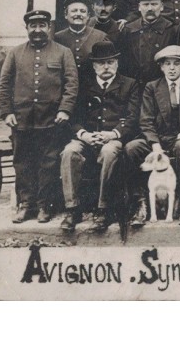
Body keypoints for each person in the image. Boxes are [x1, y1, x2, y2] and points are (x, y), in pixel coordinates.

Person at [0, 10, 78, 223]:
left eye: (42, 25)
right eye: (33, 26)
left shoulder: (63, 52)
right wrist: (6, 112)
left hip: (51, 120)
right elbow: (4, 85)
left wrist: (65, 110)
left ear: (49, 28)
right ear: (27, 29)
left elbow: (71, 85)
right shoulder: (15, 53)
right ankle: (26, 205)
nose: (37, 29)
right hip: (21, 120)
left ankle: (45, 206)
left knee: (48, 164)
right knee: (22, 163)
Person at [59, 41, 140, 232]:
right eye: (101, 63)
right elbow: (74, 116)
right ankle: (72, 209)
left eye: (110, 62)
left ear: (117, 64)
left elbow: (133, 116)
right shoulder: (84, 85)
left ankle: (103, 208)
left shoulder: (130, 84)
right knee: (69, 152)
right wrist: (84, 134)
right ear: (94, 65)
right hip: (87, 138)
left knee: (109, 151)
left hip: (113, 137)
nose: (106, 67)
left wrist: (113, 134)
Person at [124, 45, 180, 226]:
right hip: (156, 137)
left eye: (176, 63)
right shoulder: (152, 87)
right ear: (161, 67)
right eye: (167, 64)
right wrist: (154, 144)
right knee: (132, 148)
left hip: (178, 137)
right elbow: (146, 120)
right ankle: (140, 204)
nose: (172, 68)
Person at [119, 0, 180, 87]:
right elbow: (123, 62)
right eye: (146, 4)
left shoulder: (171, 30)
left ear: (161, 7)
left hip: (162, 85)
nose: (150, 9)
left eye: (154, 4)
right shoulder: (129, 30)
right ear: (139, 7)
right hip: (134, 86)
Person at [54, 0, 111, 77]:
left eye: (82, 11)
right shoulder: (58, 37)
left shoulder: (101, 37)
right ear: (66, 15)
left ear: (88, 16)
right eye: (74, 11)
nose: (78, 14)